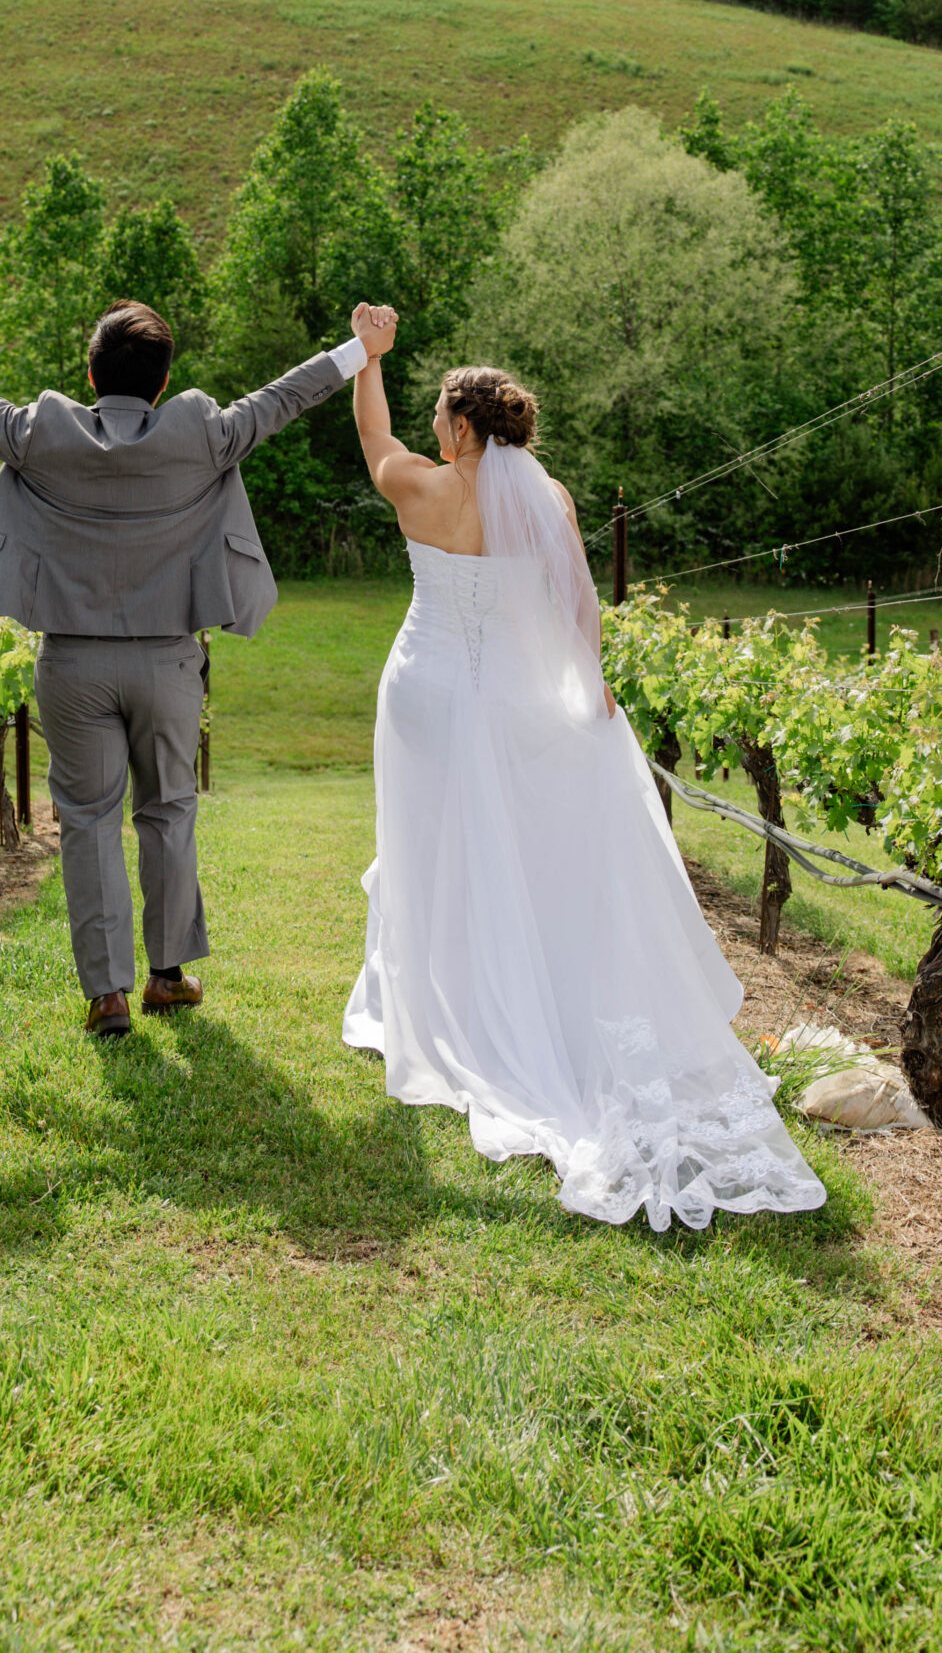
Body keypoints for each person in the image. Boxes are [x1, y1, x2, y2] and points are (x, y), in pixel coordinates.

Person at [342, 316, 825, 1233]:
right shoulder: (549, 500)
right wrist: (587, 686)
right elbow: (576, 605)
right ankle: (513, 980)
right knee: (519, 850)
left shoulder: (417, 487)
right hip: (518, 702)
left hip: (426, 694)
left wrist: (368, 357)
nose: (431, 428)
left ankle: (441, 992)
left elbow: (372, 438)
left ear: (459, 430)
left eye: (440, 416)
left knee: (428, 843)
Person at [0, 291, 379, 1039]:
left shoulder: (42, 433)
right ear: (163, 382)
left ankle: (108, 995)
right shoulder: (204, 433)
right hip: (168, 664)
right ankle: (167, 979)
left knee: (88, 822)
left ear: (90, 377)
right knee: (168, 810)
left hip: (72, 665)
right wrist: (360, 348)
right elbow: (284, 398)